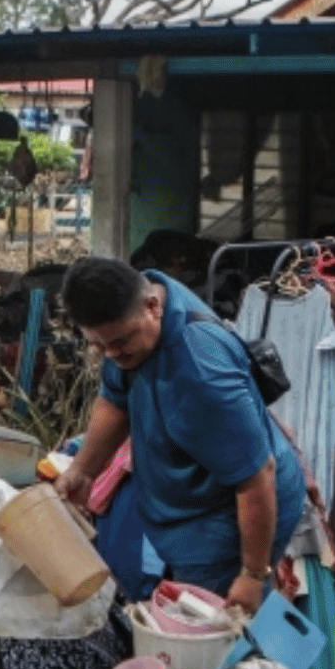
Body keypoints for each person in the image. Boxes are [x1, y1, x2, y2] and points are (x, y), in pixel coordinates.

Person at [53, 258, 304, 616]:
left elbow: (257, 475)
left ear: (153, 307)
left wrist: (251, 573)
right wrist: (83, 471)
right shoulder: (144, 298)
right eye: (99, 346)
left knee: (210, 634)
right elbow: (116, 398)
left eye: (120, 342)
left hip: (228, 521)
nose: (111, 354)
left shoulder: (201, 371)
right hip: (189, 511)